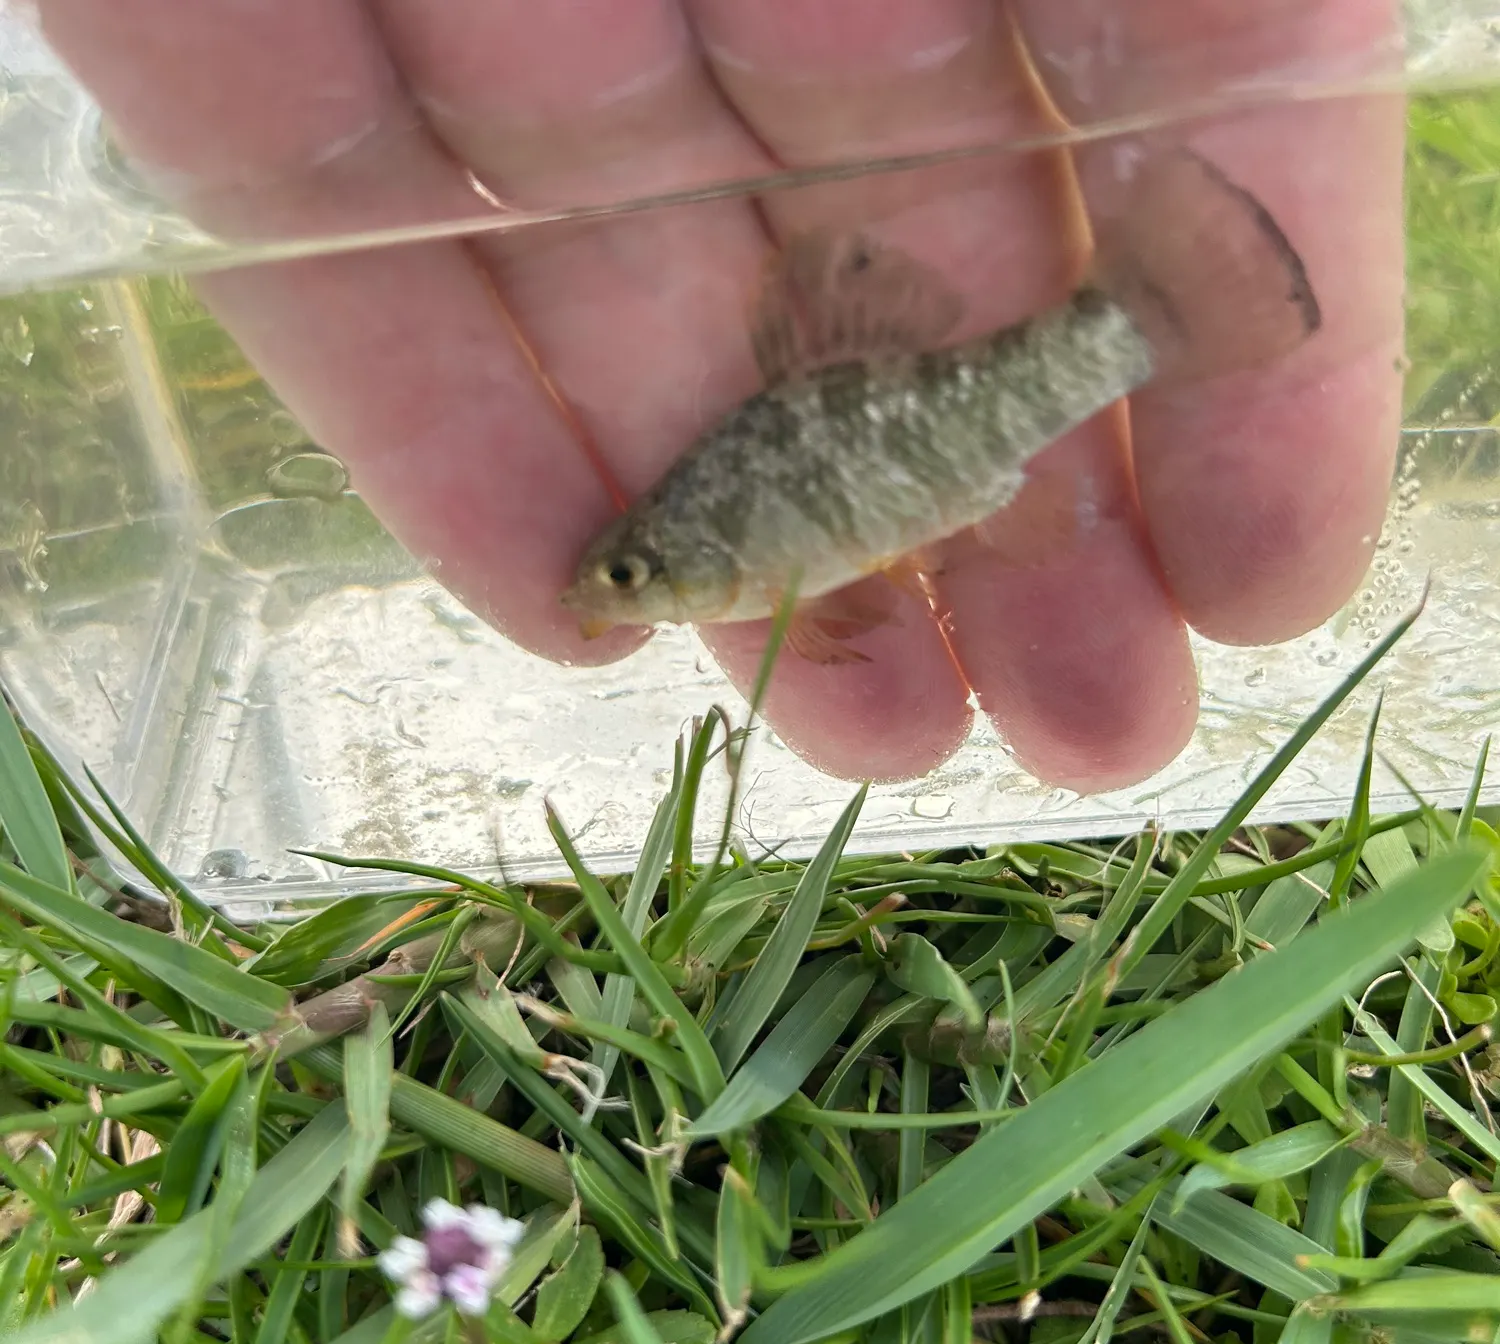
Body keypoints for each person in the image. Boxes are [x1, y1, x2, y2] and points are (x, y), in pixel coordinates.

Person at [37, 1, 1404, 790]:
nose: (610, 593)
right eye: (627, 576)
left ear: (691, 564)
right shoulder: (745, 557)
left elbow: (846, 568)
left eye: (634, 575)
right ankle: (1144, 318)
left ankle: (1145, 317)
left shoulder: (739, 549)